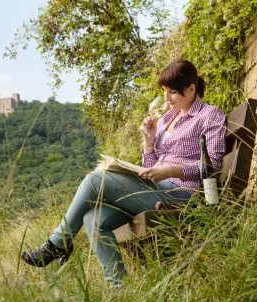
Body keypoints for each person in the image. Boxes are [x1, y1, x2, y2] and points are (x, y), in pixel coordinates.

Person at [21, 60, 227, 289]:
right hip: (156, 189)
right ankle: (119, 288)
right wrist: (149, 142)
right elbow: (151, 165)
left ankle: (57, 244)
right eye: (164, 92)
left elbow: (212, 167)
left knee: (94, 179)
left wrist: (171, 170)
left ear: (191, 89)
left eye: (172, 93)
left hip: (181, 194)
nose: (167, 99)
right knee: (94, 218)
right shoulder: (168, 118)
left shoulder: (210, 116)